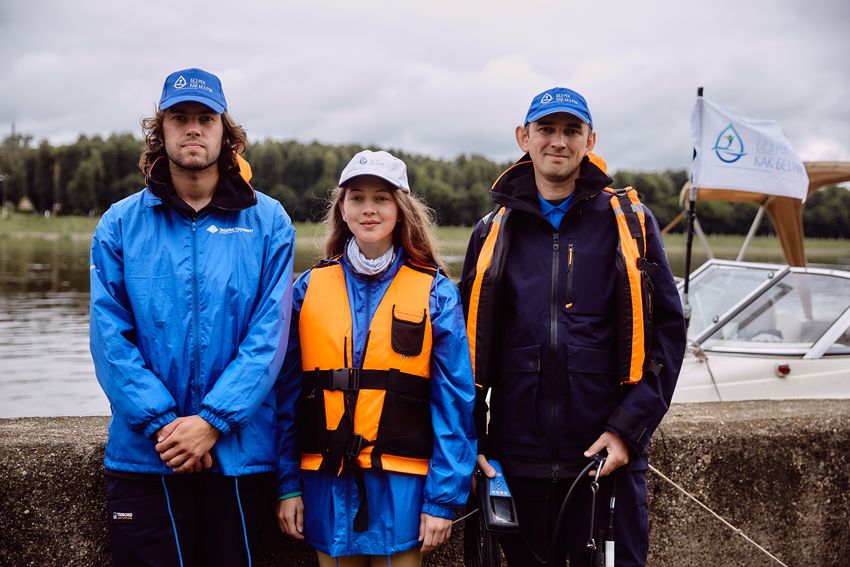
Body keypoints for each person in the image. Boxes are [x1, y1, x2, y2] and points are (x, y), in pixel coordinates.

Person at [460, 87, 686, 566]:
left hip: (605, 459)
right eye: (546, 129)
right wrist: (472, 437)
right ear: (524, 137)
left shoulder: (631, 223)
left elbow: (667, 334)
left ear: (590, 140)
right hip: (516, 461)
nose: (558, 141)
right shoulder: (492, 230)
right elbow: (465, 345)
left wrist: (628, 431)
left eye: (571, 130)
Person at [89, 67, 295, 566]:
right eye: (179, 118)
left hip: (238, 457)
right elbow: (109, 338)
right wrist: (164, 426)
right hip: (146, 458)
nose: (193, 129)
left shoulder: (269, 222)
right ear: (160, 131)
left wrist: (213, 422)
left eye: (206, 118)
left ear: (226, 132)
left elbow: (270, 338)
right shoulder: (119, 223)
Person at [275, 150, 476, 567]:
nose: (369, 209)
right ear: (342, 209)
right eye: (358, 198)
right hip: (325, 483)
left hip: (404, 486)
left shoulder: (436, 292)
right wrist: (287, 485)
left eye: (381, 198)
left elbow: (454, 403)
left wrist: (442, 500)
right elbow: (285, 396)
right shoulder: (307, 289)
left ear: (401, 209)